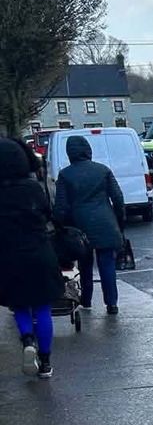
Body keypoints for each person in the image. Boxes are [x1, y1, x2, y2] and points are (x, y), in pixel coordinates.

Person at [0, 138, 64, 378]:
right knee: (42, 308)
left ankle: (27, 340)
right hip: (39, 252)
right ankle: (46, 362)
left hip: (8, 257)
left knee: (19, 306)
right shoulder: (33, 189)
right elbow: (49, 214)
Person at [53, 136, 125, 315]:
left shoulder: (65, 175)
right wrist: (119, 222)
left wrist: (59, 227)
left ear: (70, 153)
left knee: (85, 264)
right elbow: (118, 198)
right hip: (106, 224)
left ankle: (86, 299)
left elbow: (61, 207)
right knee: (107, 264)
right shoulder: (103, 170)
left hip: (79, 227)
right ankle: (111, 303)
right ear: (88, 150)